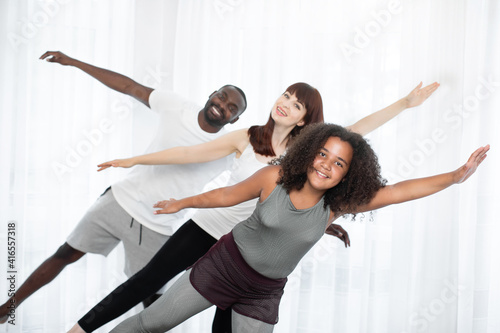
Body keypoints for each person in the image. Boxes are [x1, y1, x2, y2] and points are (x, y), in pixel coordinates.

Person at [68, 81, 439, 333]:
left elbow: (352, 136)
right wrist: (135, 160)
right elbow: (187, 153)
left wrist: (406, 103)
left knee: (225, 321)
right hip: (209, 228)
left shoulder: (308, 151)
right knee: (149, 282)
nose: (285, 104)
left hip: (247, 244)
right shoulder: (247, 137)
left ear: (306, 119)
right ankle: (80, 329)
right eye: (285, 96)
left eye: (296, 105)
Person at [109, 123, 489, 333]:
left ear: (348, 173)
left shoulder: (338, 204)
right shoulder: (273, 178)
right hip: (224, 266)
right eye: (323, 154)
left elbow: (400, 191)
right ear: (310, 153)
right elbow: (226, 195)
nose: (326, 165)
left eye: (338, 163)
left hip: (264, 291)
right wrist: (184, 202)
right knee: (151, 323)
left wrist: (456, 176)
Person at [0, 51, 247, 323]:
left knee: (152, 301)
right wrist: (74, 62)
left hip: (158, 224)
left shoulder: (229, 148)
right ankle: (5, 310)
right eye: (222, 97)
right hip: (120, 201)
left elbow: (248, 179)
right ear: (213, 93)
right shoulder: (177, 106)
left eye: (231, 108)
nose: (222, 105)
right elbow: (130, 87)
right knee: (65, 253)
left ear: (234, 120)